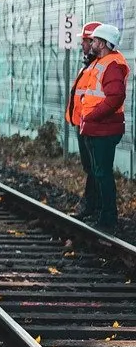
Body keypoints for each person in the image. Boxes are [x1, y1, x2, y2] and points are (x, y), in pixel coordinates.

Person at [66, 21, 128, 228]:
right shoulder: (100, 63)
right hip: (95, 127)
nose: (90, 43)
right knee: (98, 172)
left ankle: (108, 219)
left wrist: (92, 116)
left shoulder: (112, 64)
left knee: (102, 173)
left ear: (101, 43)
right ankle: (101, 213)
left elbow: (115, 97)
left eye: (93, 40)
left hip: (103, 128)